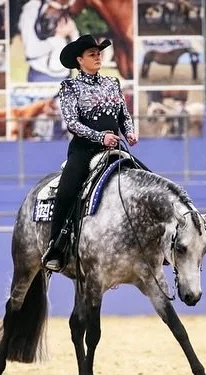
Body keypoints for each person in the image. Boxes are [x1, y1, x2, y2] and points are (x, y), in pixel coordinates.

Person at [41, 34, 147, 273]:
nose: (98, 56)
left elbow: (123, 115)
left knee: (145, 177)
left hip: (114, 147)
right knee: (67, 191)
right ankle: (56, 247)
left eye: (99, 52)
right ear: (80, 60)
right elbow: (72, 123)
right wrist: (101, 137)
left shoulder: (112, 83)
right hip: (84, 150)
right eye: (92, 54)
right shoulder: (69, 87)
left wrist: (129, 131)